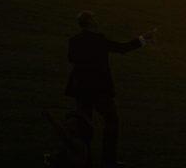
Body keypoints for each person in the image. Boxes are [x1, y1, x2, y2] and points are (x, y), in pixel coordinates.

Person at [65, 10, 156, 168]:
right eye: (94, 17)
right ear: (90, 22)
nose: (96, 18)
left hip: (80, 88)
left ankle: (84, 161)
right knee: (111, 121)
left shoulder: (75, 39)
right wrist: (144, 38)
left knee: (85, 126)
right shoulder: (99, 39)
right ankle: (108, 160)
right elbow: (122, 48)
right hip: (99, 87)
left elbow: (71, 59)